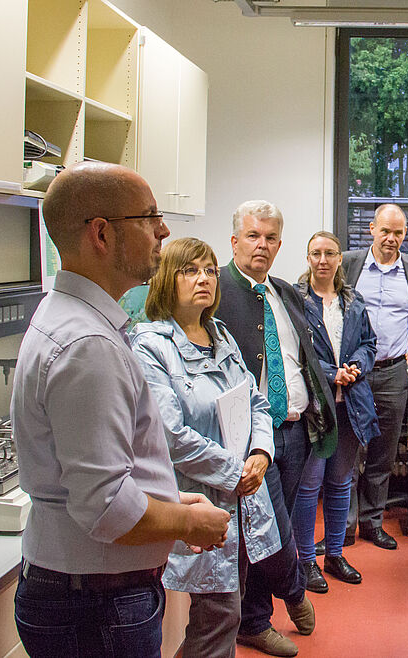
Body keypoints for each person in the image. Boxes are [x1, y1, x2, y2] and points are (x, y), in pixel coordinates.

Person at [10, 162, 230, 658]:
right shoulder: (88, 344)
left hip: (85, 593)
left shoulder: (74, 319)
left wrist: (175, 507)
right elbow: (106, 506)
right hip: (96, 604)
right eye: (149, 216)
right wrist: (187, 523)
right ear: (102, 234)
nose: (164, 230)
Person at [131, 238, 281, 658]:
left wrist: (261, 454)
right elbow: (171, 435)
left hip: (246, 493)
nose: (204, 279)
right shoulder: (150, 346)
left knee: (223, 620)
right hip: (200, 497)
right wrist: (237, 472)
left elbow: (256, 401)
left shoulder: (222, 335)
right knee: (218, 619)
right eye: (190, 270)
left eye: (211, 270)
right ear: (167, 279)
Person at [216, 200, 337, 657]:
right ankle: (285, 599)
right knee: (265, 531)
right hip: (249, 439)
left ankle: (257, 616)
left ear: (280, 244)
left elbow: (304, 358)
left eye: (270, 238)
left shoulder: (285, 293)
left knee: (273, 525)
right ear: (234, 241)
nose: (261, 245)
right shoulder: (218, 290)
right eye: (252, 236)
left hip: (294, 432)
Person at [341, 203, 408, 550]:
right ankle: (345, 528)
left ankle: (372, 522)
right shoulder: (349, 264)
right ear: (371, 229)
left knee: (383, 455)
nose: (391, 239)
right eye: (385, 231)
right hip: (355, 374)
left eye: (398, 233)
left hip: (394, 372)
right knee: (350, 454)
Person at [292, 231, 379, 594]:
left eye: (330, 253)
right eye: (316, 253)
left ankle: (335, 553)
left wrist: (356, 366)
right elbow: (295, 351)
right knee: (310, 483)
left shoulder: (353, 301)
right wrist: (331, 374)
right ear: (308, 258)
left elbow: (368, 344)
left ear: (340, 259)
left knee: (341, 481)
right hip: (315, 406)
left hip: (350, 406)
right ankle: (307, 560)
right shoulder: (296, 301)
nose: (323, 260)